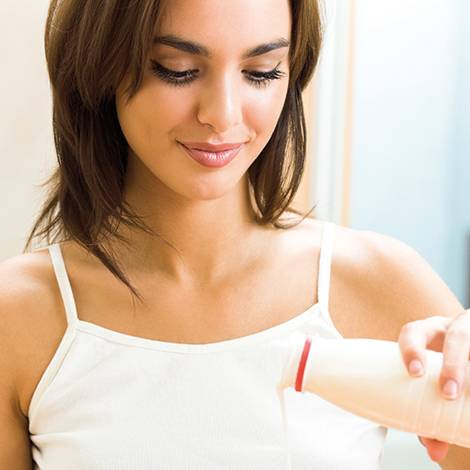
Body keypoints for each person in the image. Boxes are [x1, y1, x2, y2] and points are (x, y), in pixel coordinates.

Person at [0, 0, 468, 468]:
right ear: (100, 63)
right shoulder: (20, 316)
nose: (223, 115)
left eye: (261, 72)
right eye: (177, 70)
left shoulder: (373, 282)